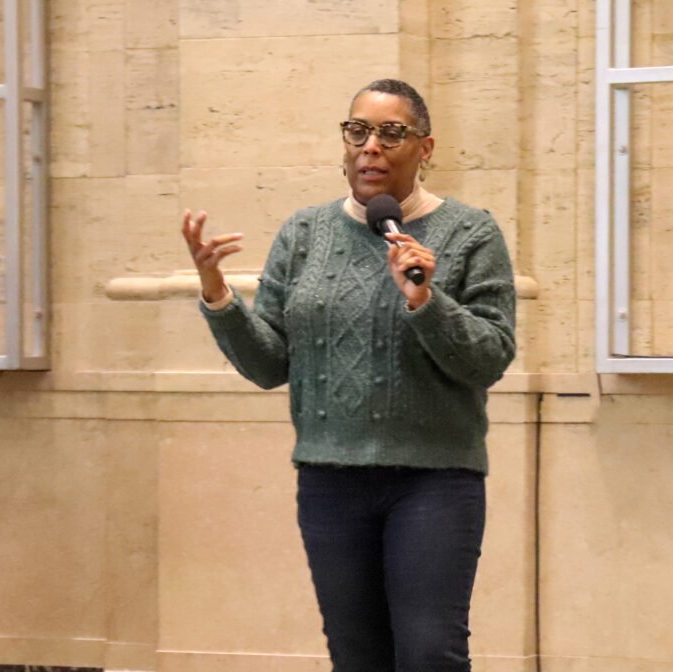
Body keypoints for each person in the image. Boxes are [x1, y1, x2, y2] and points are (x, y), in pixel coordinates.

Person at [181, 78, 516, 672]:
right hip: (330, 480)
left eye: (391, 133)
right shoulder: (304, 234)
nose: (371, 147)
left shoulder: (471, 233)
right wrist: (218, 295)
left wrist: (425, 300)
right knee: (356, 656)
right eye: (357, 132)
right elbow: (268, 365)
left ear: (425, 148)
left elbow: (490, 357)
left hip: (434, 479)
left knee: (429, 653)